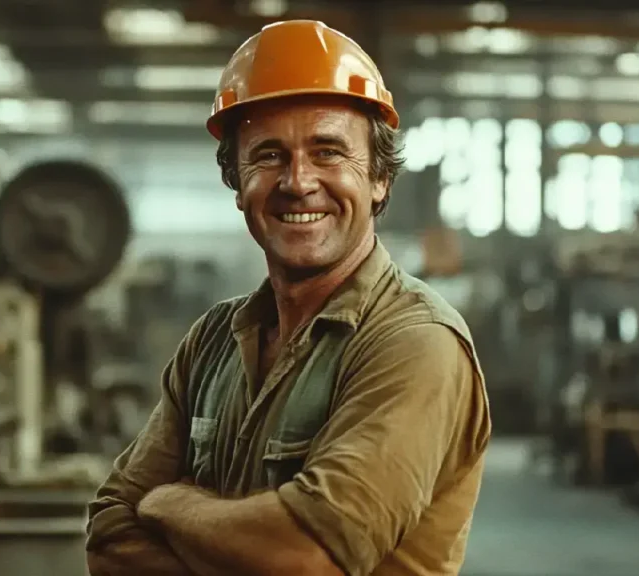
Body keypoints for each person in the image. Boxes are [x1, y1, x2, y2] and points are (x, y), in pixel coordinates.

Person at [85, 19, 491, 576]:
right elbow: (108, 531)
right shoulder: (212, 342)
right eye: (269, 155)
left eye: (328, 152)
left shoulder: (414, 345)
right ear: (237, 181)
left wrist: (169, 502)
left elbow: (305, 558)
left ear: (378, 180)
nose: (298, 182)